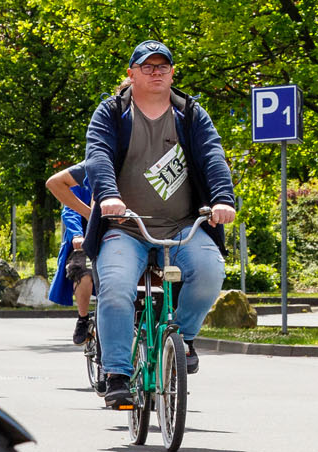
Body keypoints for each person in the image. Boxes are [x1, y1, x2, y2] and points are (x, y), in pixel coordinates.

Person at [83, 41, 237, 409]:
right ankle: (118, 373)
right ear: (131, 73)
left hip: (184, 226)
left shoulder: (191, 114)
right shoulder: (112, 112)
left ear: (172, 72)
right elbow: (98, 154)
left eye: (162, 66)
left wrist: (222, 199)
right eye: (147, 66)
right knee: (117, 287)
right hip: (126, 226)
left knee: (210, 271)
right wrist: (107, 195)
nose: (156, 72)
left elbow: (213, 155)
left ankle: (182, 339)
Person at [46, 160, 96, 345]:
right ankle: (83, 319)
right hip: (87, 241)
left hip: (119, 239)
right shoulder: (83, 175)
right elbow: (70, 210)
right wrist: (77, 235)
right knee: (82, 272)